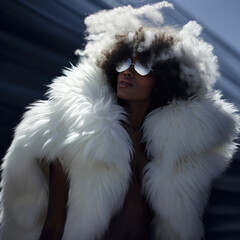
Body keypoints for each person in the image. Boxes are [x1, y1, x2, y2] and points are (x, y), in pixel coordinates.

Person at [1, 2, 239, 240]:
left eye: (143, 67)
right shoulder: (79, 136)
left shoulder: (182, 158)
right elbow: (54, 224)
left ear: (164, 83)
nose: (128, 72)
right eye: (124, 63)